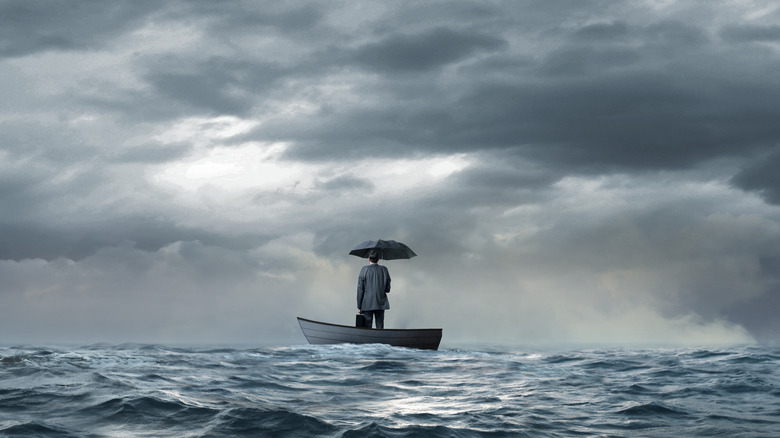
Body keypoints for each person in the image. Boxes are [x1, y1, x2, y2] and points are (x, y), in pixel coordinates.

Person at [357, 249, 391, 329]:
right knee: (380, 327)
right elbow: (387, 289)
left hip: (367, 303)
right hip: (380, 303)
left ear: (368, 259)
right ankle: (380, 341)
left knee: (367, 329)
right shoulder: (384, 269)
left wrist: (359, 306)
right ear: (378, 259)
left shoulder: (364, 270)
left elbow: (360, 289)